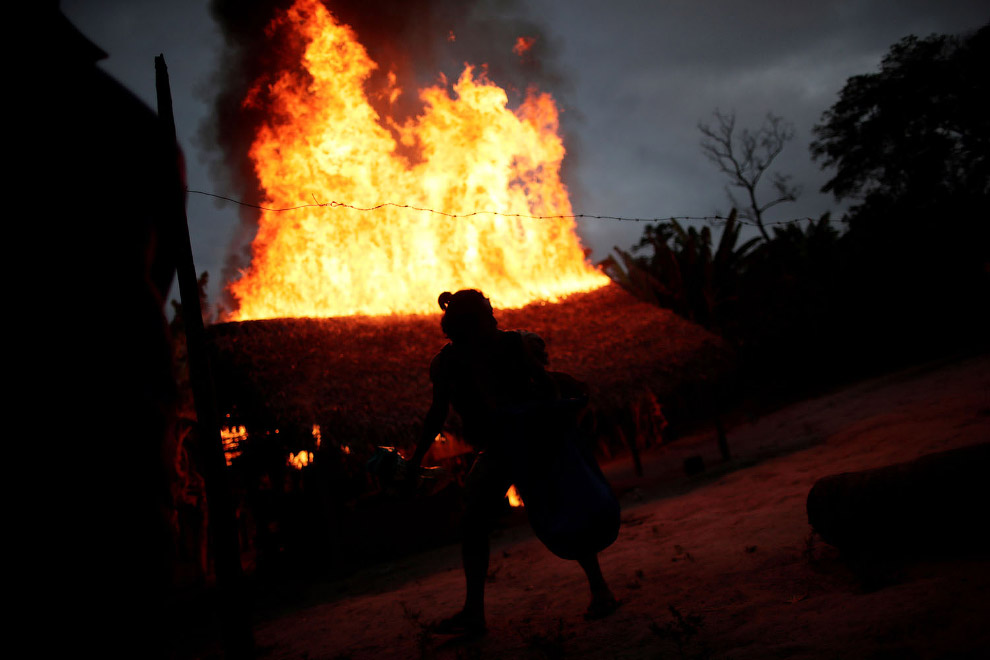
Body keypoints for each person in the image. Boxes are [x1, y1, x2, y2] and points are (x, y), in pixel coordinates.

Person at [407, 289, 617, 635]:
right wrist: (416, 458)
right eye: (487, 316)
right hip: (496, 449)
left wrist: (554, 416)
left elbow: (547, 386)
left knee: (565, 511)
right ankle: (474, 613)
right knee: (474, 522)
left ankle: (600, 590)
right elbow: (436, 414)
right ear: (468, 324)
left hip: (532, 441)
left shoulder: (513, 345)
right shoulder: (446, 363)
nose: (495, 319)